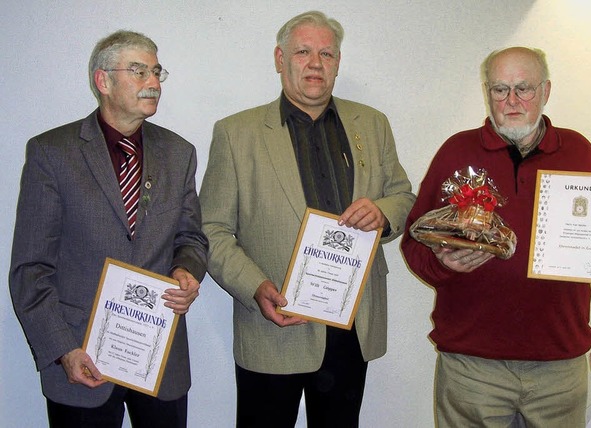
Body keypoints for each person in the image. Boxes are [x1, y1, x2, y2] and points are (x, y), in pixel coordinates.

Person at [199, 10, 415, 428]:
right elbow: (212, 230)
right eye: (303, 52)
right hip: (274, 322)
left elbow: (403, 195)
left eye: (327, 54)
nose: (316, 63)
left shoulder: (372, 123)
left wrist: (384, 213)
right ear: (281, 59)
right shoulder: (235, 133)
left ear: (337, 62)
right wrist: (255, 287)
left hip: (352, 325)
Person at [401, 46, 591, 427]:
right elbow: (414, 246)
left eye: (523, 89)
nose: (511, 101)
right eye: (499, 89)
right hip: (472, 367)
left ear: (545, 91)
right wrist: (443, 265)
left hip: (559, 366)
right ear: (487, 92)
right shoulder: (456, 151)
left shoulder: (578, 150)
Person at [9, 30, 208, 428]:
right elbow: (30, 269)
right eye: (138, 71)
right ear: (103, 81)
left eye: (155, 71)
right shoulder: (52, 152)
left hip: (160, 358)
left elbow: (192, 239)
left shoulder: (179, 153)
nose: (153, 82)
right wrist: (63, 348)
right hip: (82, 359)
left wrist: (187, 271)